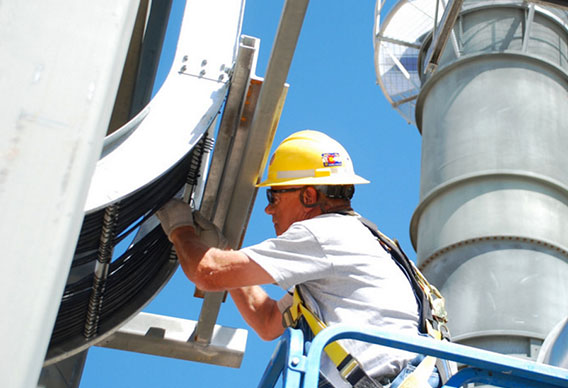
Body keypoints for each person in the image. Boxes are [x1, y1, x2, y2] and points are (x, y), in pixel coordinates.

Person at [156, 130, 440, 387]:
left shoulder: (324, 233)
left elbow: (207, 273)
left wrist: (180, 229)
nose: (269, 210)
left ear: (309, 196)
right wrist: (225, 250)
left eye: (274, 196)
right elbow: (267, 320)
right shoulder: (358, 245)